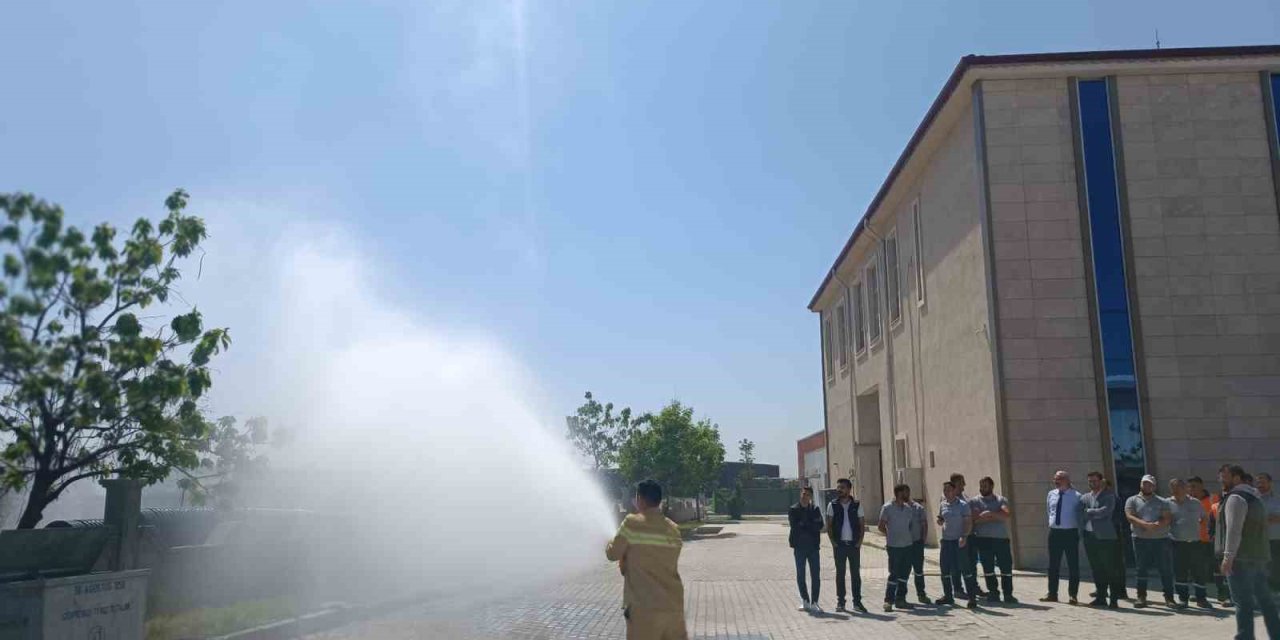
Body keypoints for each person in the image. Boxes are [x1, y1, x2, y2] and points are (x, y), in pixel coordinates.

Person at [606, 479, 687, 640]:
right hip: (673, 608)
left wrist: (610, 541)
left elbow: (612, 554)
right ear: (659, 500)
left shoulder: (631, 523)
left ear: (640, 499)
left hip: (644, 608)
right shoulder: (673, 529)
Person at [1220, 465, 1280, 640]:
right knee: (1265, 600)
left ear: (1236, 478)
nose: (1221, 480)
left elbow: (1233, 530)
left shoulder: (1236, 498)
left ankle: (1244, 637)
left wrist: (1227, 558)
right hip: (1258, 556)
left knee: (1243, 602)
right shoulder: (1256, 497)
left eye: (1224, 476)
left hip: (1241, 558)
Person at [1125, 474, 1175, 608]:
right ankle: (1141, 597)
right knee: (1141, 569)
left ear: (1154, 486)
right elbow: (1130, 516)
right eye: (1144, 483)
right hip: (1140, 539)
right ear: (1141, 484)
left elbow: (1167, 518)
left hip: (1160, 539)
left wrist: (1156, 525)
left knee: (1165, 569)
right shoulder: (1132, 500)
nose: (1147, 486)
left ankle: (1169, 598)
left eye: (1150, 484)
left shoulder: (1162, 501)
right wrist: (1144, 524)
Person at [970, 476, 1017, 604]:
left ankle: (1008, 594)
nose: (982, 489)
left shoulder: (1001, 500)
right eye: (981, 486)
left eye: (985, 486)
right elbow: (975, 519)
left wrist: (988, 514)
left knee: (1006, 568)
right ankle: (993, 593)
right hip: (983, 539)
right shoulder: (974, 501)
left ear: (991, 486)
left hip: (1001, 539)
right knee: (988, 568)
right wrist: (995, 515)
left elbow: (1006, 515)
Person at [1080, 471, 1123, 608]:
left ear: (1101, 481)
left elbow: (1106, 512)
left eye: (1095, 481)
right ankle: (1101, 597)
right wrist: (1092, 512)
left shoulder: (1109, 496)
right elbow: (1078, 513)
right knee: (1096, 568)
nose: (1092, 483)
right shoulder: (1085, 497)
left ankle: (1114, 599)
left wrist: (1089, 512)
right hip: (1089, 536)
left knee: (1110, 568)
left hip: (1105, 537)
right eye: (1090, 481)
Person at [824, 478, 867, 614]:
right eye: (838, 487)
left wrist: (859, 542)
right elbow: (829, 525)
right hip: (840, 545)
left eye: (842, 487)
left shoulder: (856, 505)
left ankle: (857, 602)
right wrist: (833, 542)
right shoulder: (833, 505)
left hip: (853, 545)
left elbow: (862, 524)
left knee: (855, 575)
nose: (839, 490)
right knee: (840, 574)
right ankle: (841, 602)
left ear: (849, 489)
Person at [936, 480, 979, 609]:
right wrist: (940, 521)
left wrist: (964, 536)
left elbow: (968, 522)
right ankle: (948, 596)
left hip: (959, 541)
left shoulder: (963, 505)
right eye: (944, 490)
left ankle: (972, 598)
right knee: (945, 570)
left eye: (949, 490)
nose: (946, 492)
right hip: (946, 541)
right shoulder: (943, 504)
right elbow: (941, 518)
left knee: (965, 570)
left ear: (955, 491)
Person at [1043, 470, 1082, 604]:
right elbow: (1049, 511)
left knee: (1073, 564)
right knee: (1053, 564)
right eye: (1055, 478)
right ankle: (1052, 593)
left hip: (1070, 532)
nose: (1056, 481)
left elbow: (1080, 515)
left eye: (1059, 478)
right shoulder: (1051, 494)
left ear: (1067, 480)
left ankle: (1073, 594)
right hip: (1055, 532)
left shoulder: (1076, 496)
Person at [1168, 477, 1208, 609]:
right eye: (1174, 488)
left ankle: (1201, 598)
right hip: (1176, 543)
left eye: (1179, 487)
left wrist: (1197, 530)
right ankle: (1183, 599)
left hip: (1195, 542)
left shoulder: (1195, 503)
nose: (1176, 490)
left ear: (1185, 488)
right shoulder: (1167, 503)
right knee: (1180, 572)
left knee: (1198, 572)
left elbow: (1204, 518)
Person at [879, 483, 918, 612]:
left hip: (907, 546)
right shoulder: (887, 508)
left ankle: (900, 599)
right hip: (894, 547)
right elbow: (881, 526)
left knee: (904, 574)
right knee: (894, 574)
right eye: (906, 492)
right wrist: (891, 535)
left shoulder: (908, 509)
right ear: (899, 493)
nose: (908, 495)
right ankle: (888, 601)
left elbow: (910, 525)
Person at [789, 486, 825, 613]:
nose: (805, 496)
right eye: (804, 494)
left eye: (808, 495)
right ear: (801, 494)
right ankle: (805, 600)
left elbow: (820, 525)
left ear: (811, 497)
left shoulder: (815, 509)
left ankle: (815, 602)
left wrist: (806, 524)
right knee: (801, 574)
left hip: (813, 546)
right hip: (799, 547)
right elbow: (795, 526)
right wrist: (810, 524)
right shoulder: (794, 509)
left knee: (815, 575)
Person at [951, 472, 983, 599]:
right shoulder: (949, 499)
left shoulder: (965, 497)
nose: (964, 484)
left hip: (970, 535)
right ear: (955, 483)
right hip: (959, 536)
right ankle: (958, 589)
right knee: (958, 564)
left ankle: (973, 587)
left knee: (972, 562)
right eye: (961, 482)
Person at [1188, 476, 1217, 609]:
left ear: (1201, 485)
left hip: (1212, 540)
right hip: (1195, 540)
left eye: (1193, 486)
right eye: (1189, 487)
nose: (1191, 489)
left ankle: (1223, 594)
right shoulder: (1188, 501)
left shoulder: (1213, 499)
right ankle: (1199, 593)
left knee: (1217, 568)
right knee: (1197, 569)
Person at [1255, 473, 1280, 594]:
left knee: (1275, 566)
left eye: (1263, 482)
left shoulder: (1277, 499)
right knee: (1260, 567)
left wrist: (1262, 519)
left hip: (1275, 539)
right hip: (1257, 539)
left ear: (1270, 483)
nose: (1260, 485)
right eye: (1258, 483)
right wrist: (1270, 518)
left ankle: (1275, 590)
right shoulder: (1253, 500)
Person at [910, 495, 933, 604]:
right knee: (901, 572)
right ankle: (900, 596)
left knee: (918, 571)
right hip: (902, 545)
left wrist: (922, 541)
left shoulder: (918, 508)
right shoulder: (895, 507)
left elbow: (924, 524)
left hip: (916, 543)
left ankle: (921, 594)